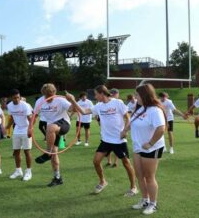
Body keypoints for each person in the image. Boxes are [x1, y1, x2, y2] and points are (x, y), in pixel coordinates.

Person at [66, 85, 138, 196]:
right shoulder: (99, 106)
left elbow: (128, 117)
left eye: (96, 94)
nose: (95, 97)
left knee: (126, 163)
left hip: (119, 140)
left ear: (102, 93)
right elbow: (84, 112)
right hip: (106, 140)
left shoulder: (117, 102)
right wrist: (72, 100)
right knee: (96, 161)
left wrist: (125, 130)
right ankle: (102, 181)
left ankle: (133, 187)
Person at [121, 84, 166, 215]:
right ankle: (145, 200)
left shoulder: (155, 110)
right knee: (140, 175)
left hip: (152, 147)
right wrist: (125, 130)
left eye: (137, 95)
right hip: (138, 147)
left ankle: (153, 204)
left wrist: (151, 143)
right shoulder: (140, 108)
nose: (135, 97)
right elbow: (132, 121)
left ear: (144, 95)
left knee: (149, 177)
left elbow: (161, 129)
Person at [33, 83, 72, 187]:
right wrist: (30, 128)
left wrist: (72, 100)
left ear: (54, 93)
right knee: (55, 153)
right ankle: (57, 177)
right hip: (52, 130)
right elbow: (34, 116)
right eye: (46, 95)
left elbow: (73, 109)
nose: (48, 98)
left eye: (50, 95)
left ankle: (47, 153)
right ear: (43, 94)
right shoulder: (39, 102)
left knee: (50, 128)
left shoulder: (60, 100)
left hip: (64, 124)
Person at [6, 89, 33, 181]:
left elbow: (31, 119)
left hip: (26, 129)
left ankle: (28, 172)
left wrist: (30, 129)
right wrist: (6, 127)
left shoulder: (25, 105)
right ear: (11, 98)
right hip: (17, 129)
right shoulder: (9, 106)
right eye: (15, 98)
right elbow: (12, 118)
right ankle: (18, 171)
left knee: (27, 151)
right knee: (16, 151)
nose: (17, 99)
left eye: (18, 97)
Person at [105, 88, 121, 168]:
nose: (118, 95)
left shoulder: (119, 103)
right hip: (107, 131)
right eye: (117, 94)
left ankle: (115, 162)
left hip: (117, 131)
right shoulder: (105, 103)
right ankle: (109, 161)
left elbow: (126, 115)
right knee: (108, 148)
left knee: (116, 148)